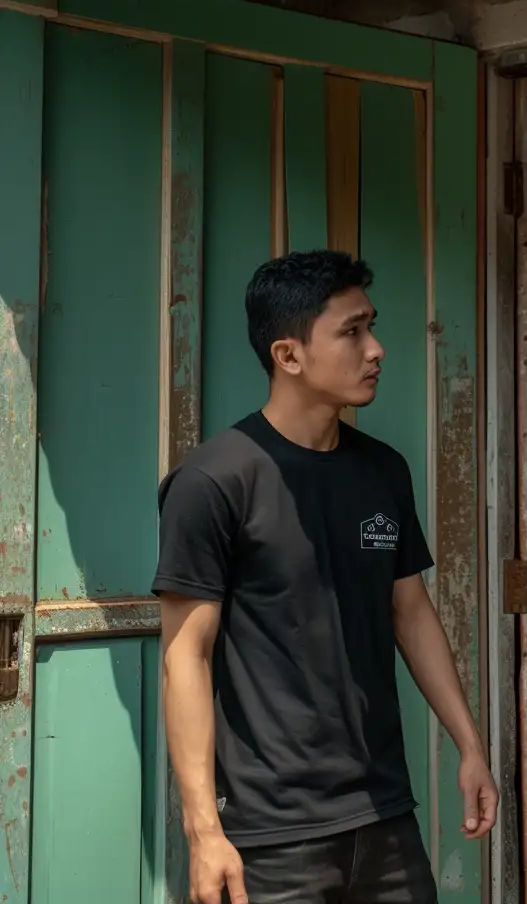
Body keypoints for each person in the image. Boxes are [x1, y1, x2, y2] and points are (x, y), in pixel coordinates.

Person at [154, 251, 498, 904]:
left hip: (384, 815)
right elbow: (185, 659)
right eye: (352, 331)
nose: (377, 349)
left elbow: (412, 612)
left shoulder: (382, 472)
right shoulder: (213, 482)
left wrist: (470, 746)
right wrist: (205, 833)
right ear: (289, 356)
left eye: (371, 326)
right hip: (269, 836)